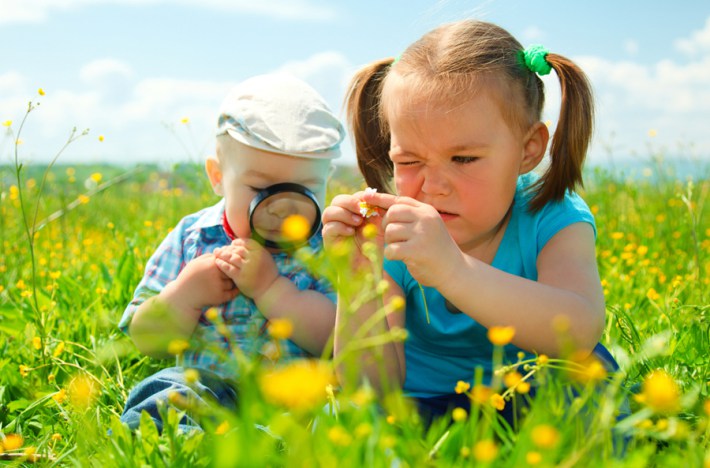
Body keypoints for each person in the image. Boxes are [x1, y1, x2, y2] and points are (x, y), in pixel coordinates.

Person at [322, 19, 623, 426]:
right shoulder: (390, 232)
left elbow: (580, 332)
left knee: (590, 384)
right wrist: (356, 278)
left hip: (533, 396)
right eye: (408, 162)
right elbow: (371, 388)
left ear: (528, 149)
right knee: (341, 417)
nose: (433, 187)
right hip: (422, 405)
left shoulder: (552, 214)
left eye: (463, 159)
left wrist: (452, 271)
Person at [119, 73, 345, 432]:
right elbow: (146, 337)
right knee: (167, 389)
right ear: (218, 176)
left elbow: (337, 340)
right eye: (259, 187)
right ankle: (189, 444)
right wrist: (185, 293)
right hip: (207, 390)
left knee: (342, 411)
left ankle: (278, 448)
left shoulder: (328, 245)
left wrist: (272, 290)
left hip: (298, 397)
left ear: (326, 180)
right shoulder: (193, 237)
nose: (282, 207)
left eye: (304, 189)